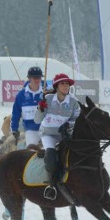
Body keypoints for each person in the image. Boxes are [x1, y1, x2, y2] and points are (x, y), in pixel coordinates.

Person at [35, 73, 79, 201]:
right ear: (57, 86)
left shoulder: (74, 102)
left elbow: (75, 119)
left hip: (65, 136)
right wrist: (40, 108)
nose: (66, 86)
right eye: (62, 84)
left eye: (67, 84)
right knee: (51, 155)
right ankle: (51, 185)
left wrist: (68, 126)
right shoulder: (47, 99)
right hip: (48, 134)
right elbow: (37, 120)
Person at [7, 66, 44, 147]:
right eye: (35, 77)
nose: (37, 80)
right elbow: (16, 113)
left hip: (45, 129)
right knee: (31, 148)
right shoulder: (21, 95)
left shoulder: (46, 93)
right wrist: (14, 129)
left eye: (39, 77)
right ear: (29, 78)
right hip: (31, 130)